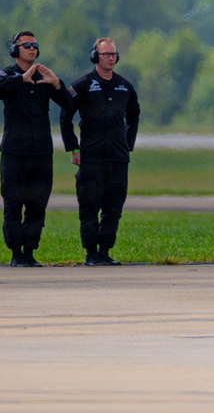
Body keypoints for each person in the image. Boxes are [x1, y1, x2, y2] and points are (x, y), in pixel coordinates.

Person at [0, 31, 70, 267]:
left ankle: (30, 251)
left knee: (37, 204)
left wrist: (57, 84)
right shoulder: (7, 74)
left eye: (35, 45)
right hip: (14, 152)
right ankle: (16, 254)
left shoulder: (43, 77)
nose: (32, 48)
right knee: (13, 203)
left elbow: (69, 104)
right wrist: (20, 79)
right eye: (27, 45)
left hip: (41, 152)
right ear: (15, 50)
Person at [59, 37, 140, 266]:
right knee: (89, 206)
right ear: (95, 56)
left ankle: (105, 250)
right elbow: (65, 116)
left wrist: (127, 143)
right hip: (91, 157)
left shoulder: (125, 86)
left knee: (113, 207)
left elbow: (133, 116)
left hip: (118, 158)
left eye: (113, 54)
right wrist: (73, 148)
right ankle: (91, 253)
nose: (110, 58)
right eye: (106, 54)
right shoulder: (82, 85)